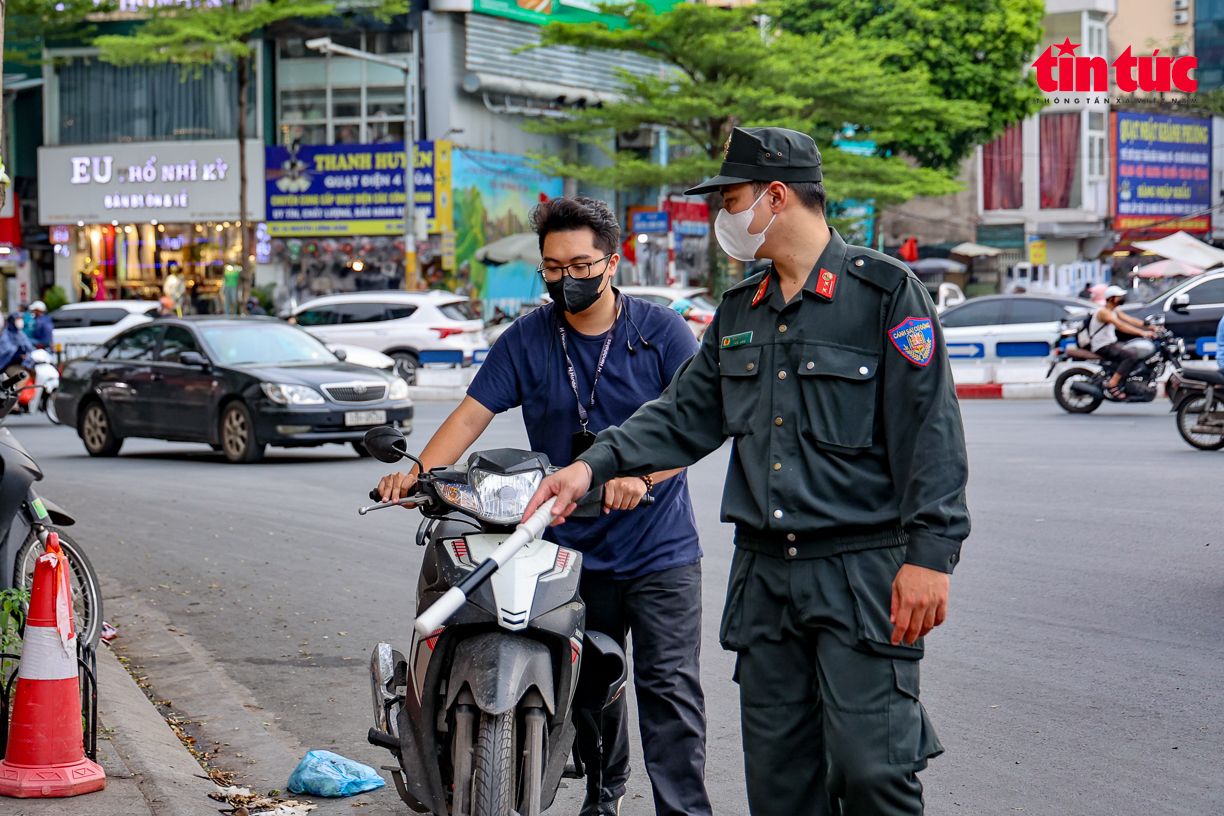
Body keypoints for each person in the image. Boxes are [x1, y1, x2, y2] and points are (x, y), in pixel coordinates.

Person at [525, 127, 970, 816]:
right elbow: (681, 416)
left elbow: (931, 434)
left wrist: (931, 557)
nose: (721, 216)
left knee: (872, 767)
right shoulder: (741, 311)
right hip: (766, 580)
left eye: (729, 199)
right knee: (780, 780)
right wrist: (588, 469)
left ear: (776, 195)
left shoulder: (885, 295)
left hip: (861, 572)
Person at [377, 197, 712, 816]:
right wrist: (417, 473)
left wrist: (641, 475)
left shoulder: (659, 331)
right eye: (552, 268)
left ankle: (683, 812)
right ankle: (601, 794)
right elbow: (470, 415)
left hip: (659, 552)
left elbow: (694, 425)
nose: (567, 279)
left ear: (612, 261)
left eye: (580, 264)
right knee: (584, 686)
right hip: (566, 550)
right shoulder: (528, 339)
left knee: (668, 693)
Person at [1086, 284, 1156, 400]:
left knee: (1135, 350)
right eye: (1119, 297)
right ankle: (1112, 383)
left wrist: (1151, 327)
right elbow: (1121, 326)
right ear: (1112, 298)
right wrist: (1142, 333)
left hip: (1111, 343)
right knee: (1130, 357)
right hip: (1102, 346)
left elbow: (1130, 320)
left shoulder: (1114, 310)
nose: (1122, 299)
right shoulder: (1104, 312)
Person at [0, 313, 35, 386]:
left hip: (23, 364)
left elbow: (30, 347)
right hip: (8, 365)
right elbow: (7, 351)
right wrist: (18, 354)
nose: (20, 321)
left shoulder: (21, 334)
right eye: (18, 319)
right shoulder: (5, 334)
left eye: (21, 318)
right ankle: (17, 396)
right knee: (23, 377)